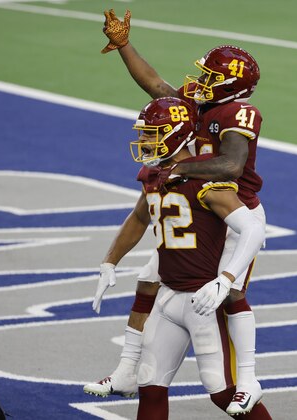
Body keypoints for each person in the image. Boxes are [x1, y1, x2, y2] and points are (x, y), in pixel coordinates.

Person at [84, 10, 268, 415]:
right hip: (195, 205)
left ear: (232, 84)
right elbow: (156, 86)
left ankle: (249, 378)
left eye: (210, 77)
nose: (200, 83)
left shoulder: (237, 114)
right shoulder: (199, 108)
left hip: (235, 213)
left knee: (230, 290)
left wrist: (177, 169)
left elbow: (232, 165)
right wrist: (123, 45)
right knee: (151, 276)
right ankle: (128, 369)